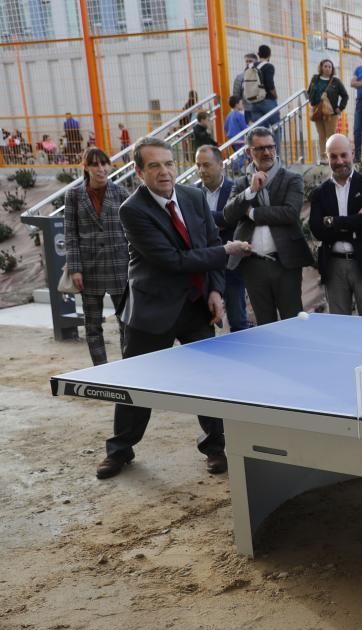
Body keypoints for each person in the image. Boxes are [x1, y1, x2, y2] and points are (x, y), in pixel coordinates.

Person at [96, 137, 252, 480]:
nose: (164, 172)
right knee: (137, 386)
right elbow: (173, 260)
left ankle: (215, 446)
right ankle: (120, 450)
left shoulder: (193, 197)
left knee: (208, 381)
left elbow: (207, 244)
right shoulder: (132, 210)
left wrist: (215, 289)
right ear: (139, 172)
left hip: (195, 305)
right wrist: (227, 251)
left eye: (168, 164)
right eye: (154, 166)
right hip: (151, 312)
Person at [223, 127, 313, 325]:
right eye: (260, 148)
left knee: (292, 320)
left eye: (271, 147)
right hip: (253, 265)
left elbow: (290, 213)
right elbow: (228, 215)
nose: (267, 152)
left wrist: (253, 213)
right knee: (264, 323)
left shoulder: (291, 178)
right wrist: (250, 192)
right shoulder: (241, 184)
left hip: (285, 262)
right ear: (249, 152)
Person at [63, 147, 130, 366]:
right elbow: (70, 234)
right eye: (94, 164)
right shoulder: (73, 195)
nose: (101, 169)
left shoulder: (121, 193)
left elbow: (132, 231)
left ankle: (128, 367)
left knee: (126, 322)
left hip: (119, 265)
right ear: (86, 167)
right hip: (88, 269)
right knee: (93, 325)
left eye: (104, 164)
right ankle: (101, 370)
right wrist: (75, 268)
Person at [309, 134, 362, 317]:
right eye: (333, 156)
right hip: (333, 264)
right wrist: (354, 224)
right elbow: (317, 230)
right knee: (339, 325)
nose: (339, 161)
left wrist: (332, 222)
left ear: (352, 153)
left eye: (344, 155)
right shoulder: (319, 193)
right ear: (326, 157)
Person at [196, 145, 247, 332]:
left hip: (230, 265)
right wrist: (219, 218)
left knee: (237, 320)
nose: (201, 170)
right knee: (203, 322)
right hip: (203, 266)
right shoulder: (191, 193)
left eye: (206, 165)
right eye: (198, 165)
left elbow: (231, 218)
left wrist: (204, 218)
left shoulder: (235, 189)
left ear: (220, 165)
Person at [308, 59, 349, 163]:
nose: (327, 68)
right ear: (321, 67)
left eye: (330, 67)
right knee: (321, 135)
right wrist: (312, 104)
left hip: (331, 113)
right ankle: (322, 158)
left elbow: (345, 96)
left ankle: (331, 157)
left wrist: (340, 107)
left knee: (330, 136)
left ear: (332, 69)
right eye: (325, 66)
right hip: (318, 111)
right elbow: (309, 93)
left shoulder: (336, 81)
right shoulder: (315, 79)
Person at [246, 45, 279, 152]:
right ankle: (276, 156)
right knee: (276, 128)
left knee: (260, 132)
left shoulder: (250, 66)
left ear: (258, 54)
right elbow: (269, 84)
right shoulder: (268, 66)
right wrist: (275, 94)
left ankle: (261, 156)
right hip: (267, 101)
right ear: (269, 54)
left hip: (254, 101)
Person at [224, 95, 249, 173]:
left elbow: (225, 126)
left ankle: (235, 168)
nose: (242, 105)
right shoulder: (239, 115)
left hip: (231, 139)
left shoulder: (229, 115)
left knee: (238, 154)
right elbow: (245, 127)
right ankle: (233, 168)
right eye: (241, 103)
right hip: (239, 139)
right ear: (237, 104)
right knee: (243, 155)